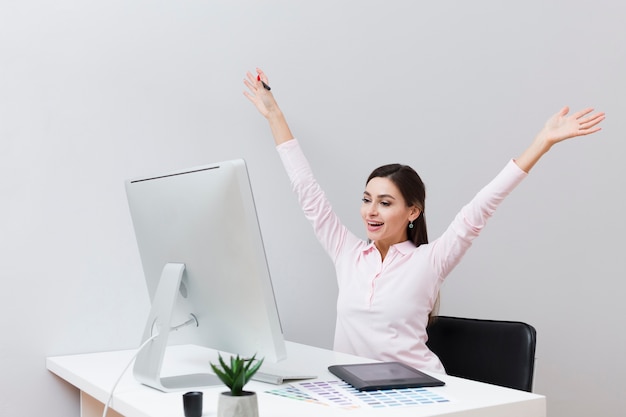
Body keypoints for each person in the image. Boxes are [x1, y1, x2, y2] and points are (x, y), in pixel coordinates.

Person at [243, 68, 605, 374]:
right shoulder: (347, 254)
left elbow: (482, 205)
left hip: (417, 394)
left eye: (385, 203)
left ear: (413, 211)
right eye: (367, 200)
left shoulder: (429, 261)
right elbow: (307, 191)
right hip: (353, 392)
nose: (371, 211)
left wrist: (542, 141)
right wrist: (274, 113)